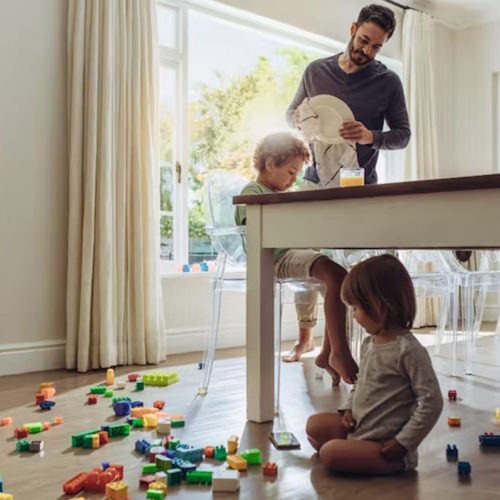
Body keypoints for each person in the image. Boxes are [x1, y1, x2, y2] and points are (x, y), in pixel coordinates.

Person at [235, 132, 358, 384]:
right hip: (275, 258)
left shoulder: (277, 192)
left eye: (297, 174)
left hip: (294, 252)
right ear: (270, 164)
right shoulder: (254, 191)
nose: (294, 179)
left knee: (340, 282)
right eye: (291, 172)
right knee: (336, 275)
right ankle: (339, 353)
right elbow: (262, 231)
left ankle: (327, 352)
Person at [306, 254, 443, 474]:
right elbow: (361, 384)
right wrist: (349, 409)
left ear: (379, 307)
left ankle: (355, 453)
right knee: (314, 425)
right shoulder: (369, 343)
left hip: (386, 447)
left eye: (355, 308)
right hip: (361, 427)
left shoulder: (409, 351)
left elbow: (432, 402)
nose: (354, 316)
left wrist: (403, 443)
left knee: (330, 453)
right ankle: (350, 448)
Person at [286, 4, 411, 186]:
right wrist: (298, 120)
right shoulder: (315, 71)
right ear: (353, 29)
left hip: (358, 182)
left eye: (376, 47)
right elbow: (290, 115)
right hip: (314, 179)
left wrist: (370, 137)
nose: (367, 51)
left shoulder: (389, 82)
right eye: (363, 40)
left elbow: (403, 136)